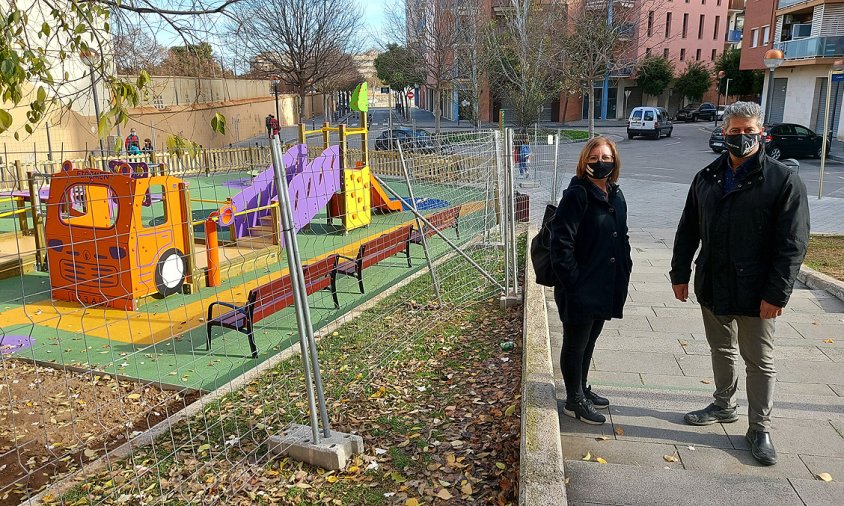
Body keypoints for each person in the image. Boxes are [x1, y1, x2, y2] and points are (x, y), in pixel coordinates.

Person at [670, 101, 810, 466]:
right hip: (713, 284)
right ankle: (723, 404)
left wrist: (777, 293)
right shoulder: (707, 177)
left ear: (761, 133)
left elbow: (792, 245)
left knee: (760, 361)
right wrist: (679, 273)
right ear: (724, 132)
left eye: (749, 132)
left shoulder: (783, 180)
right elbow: (688, 229)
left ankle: (759, 427)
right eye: (734, 132)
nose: (741, 138)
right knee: (722, 349)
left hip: (757, 291)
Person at [550, 137, 633, 425]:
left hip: (604, 285)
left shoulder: (614, 193)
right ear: (584, 162)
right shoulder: (577, 195)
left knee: (589, 340)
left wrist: (626, 267)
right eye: (594, 158)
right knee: (575, 342)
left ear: (615, 161)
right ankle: (574, 401)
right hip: (580, 287)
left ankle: (582, 388)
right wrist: (573, 282)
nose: (600, 162)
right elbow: (560, 243)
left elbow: (621, 236)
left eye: (606, 157)